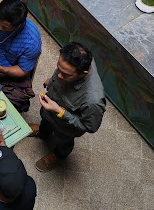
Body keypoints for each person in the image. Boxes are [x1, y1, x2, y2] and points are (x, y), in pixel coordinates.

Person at [33, 42, 106, 172]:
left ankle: (58, 155)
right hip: (49, 110)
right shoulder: (73, 62)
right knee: (45, 122)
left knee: (63, 143)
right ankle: (42, 133)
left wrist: (59, 111)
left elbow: (90, 127)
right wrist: (51, 81)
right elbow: (60, 72)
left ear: (83, 73)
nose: (59, 76)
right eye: (58, 68)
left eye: (65, 74)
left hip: (65, 128)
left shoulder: (93, 100)